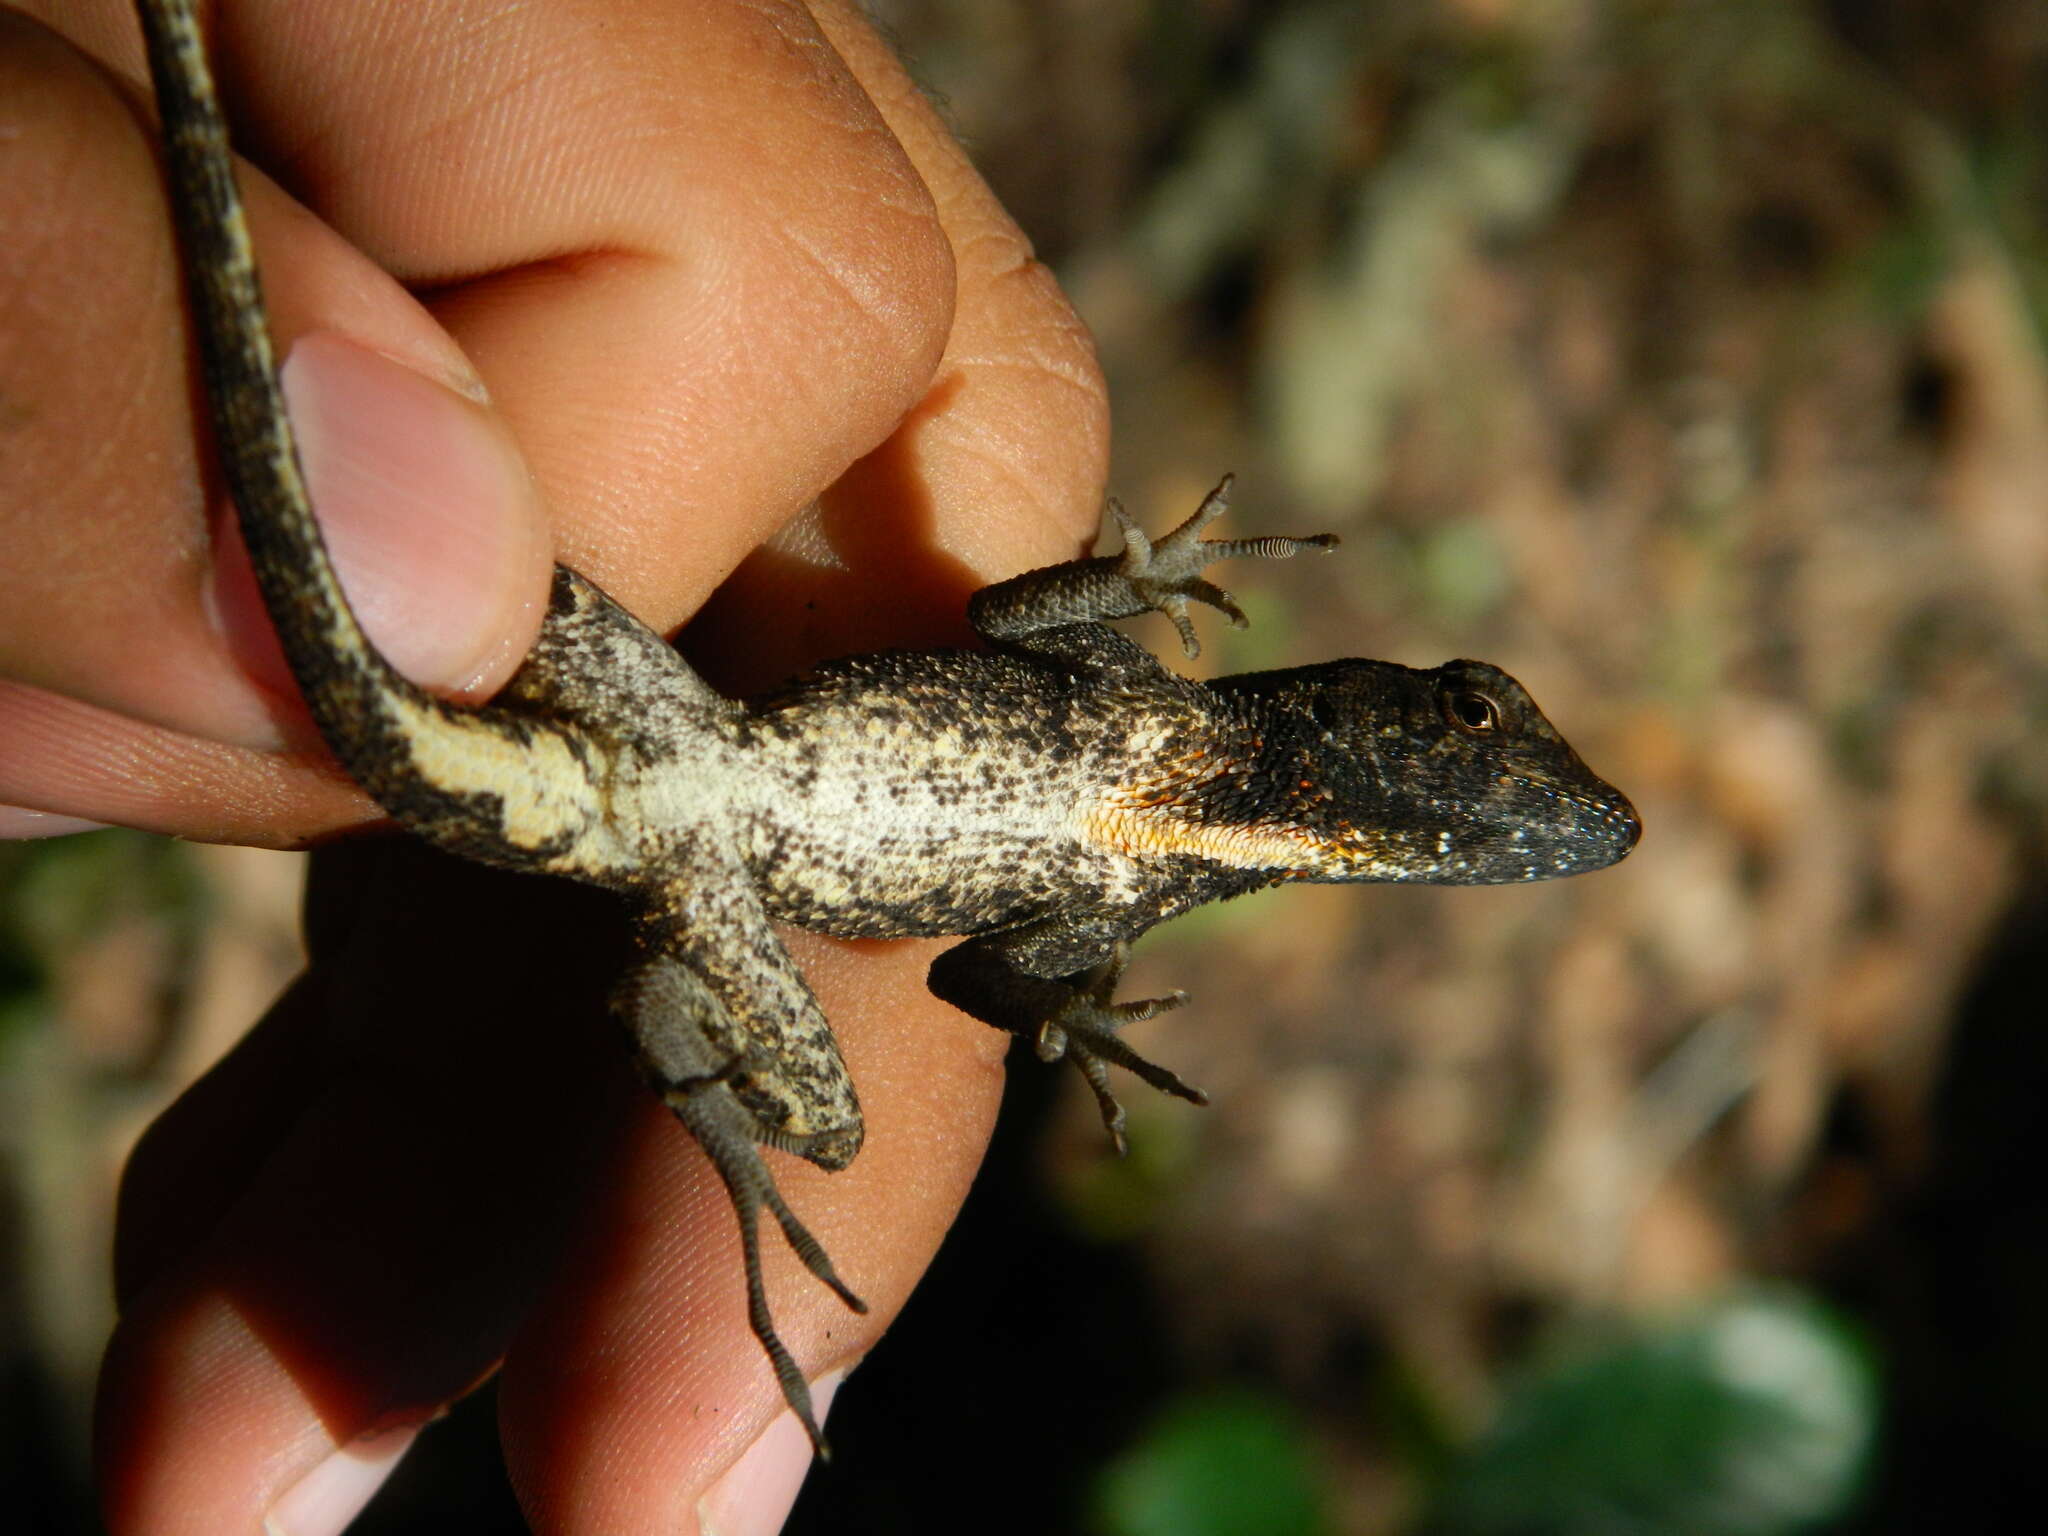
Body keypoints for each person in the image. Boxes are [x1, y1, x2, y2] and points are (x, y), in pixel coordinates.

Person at [0, 2, 1109, 1530]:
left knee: (836, 1131)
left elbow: (1008, 967)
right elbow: (1029, 623)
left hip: (695, 848)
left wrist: (1062, 1012)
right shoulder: (1171, 732)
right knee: (482, 553)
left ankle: (682, 1060)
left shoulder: (1152, 846)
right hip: (689, 731)